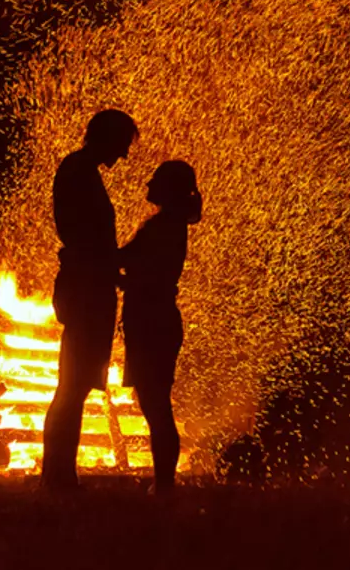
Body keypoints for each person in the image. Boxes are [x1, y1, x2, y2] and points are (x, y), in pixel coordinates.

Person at [42, 109, 138, 490]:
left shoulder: (82, 170)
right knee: (73, 385)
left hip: (90, 283)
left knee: (76, 384)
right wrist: (116, 265)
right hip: (86, 287)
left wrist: (114, 268)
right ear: (106, 137)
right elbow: (86, 238)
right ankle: (58, 476)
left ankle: (61, 474)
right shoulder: (79, 171)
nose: (125, 154)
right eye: (122, 144)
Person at [120, 160, 202, 493]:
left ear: (168, 188)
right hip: (156, 320)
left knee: (156, 405)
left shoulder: (161, 227)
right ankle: (163, 482)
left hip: (152, 322)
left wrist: (95, 262)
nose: (147, 184)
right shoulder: (167, 224)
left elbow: (136, 270)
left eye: (154, 179)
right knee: (154, 402)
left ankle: (165, 484)